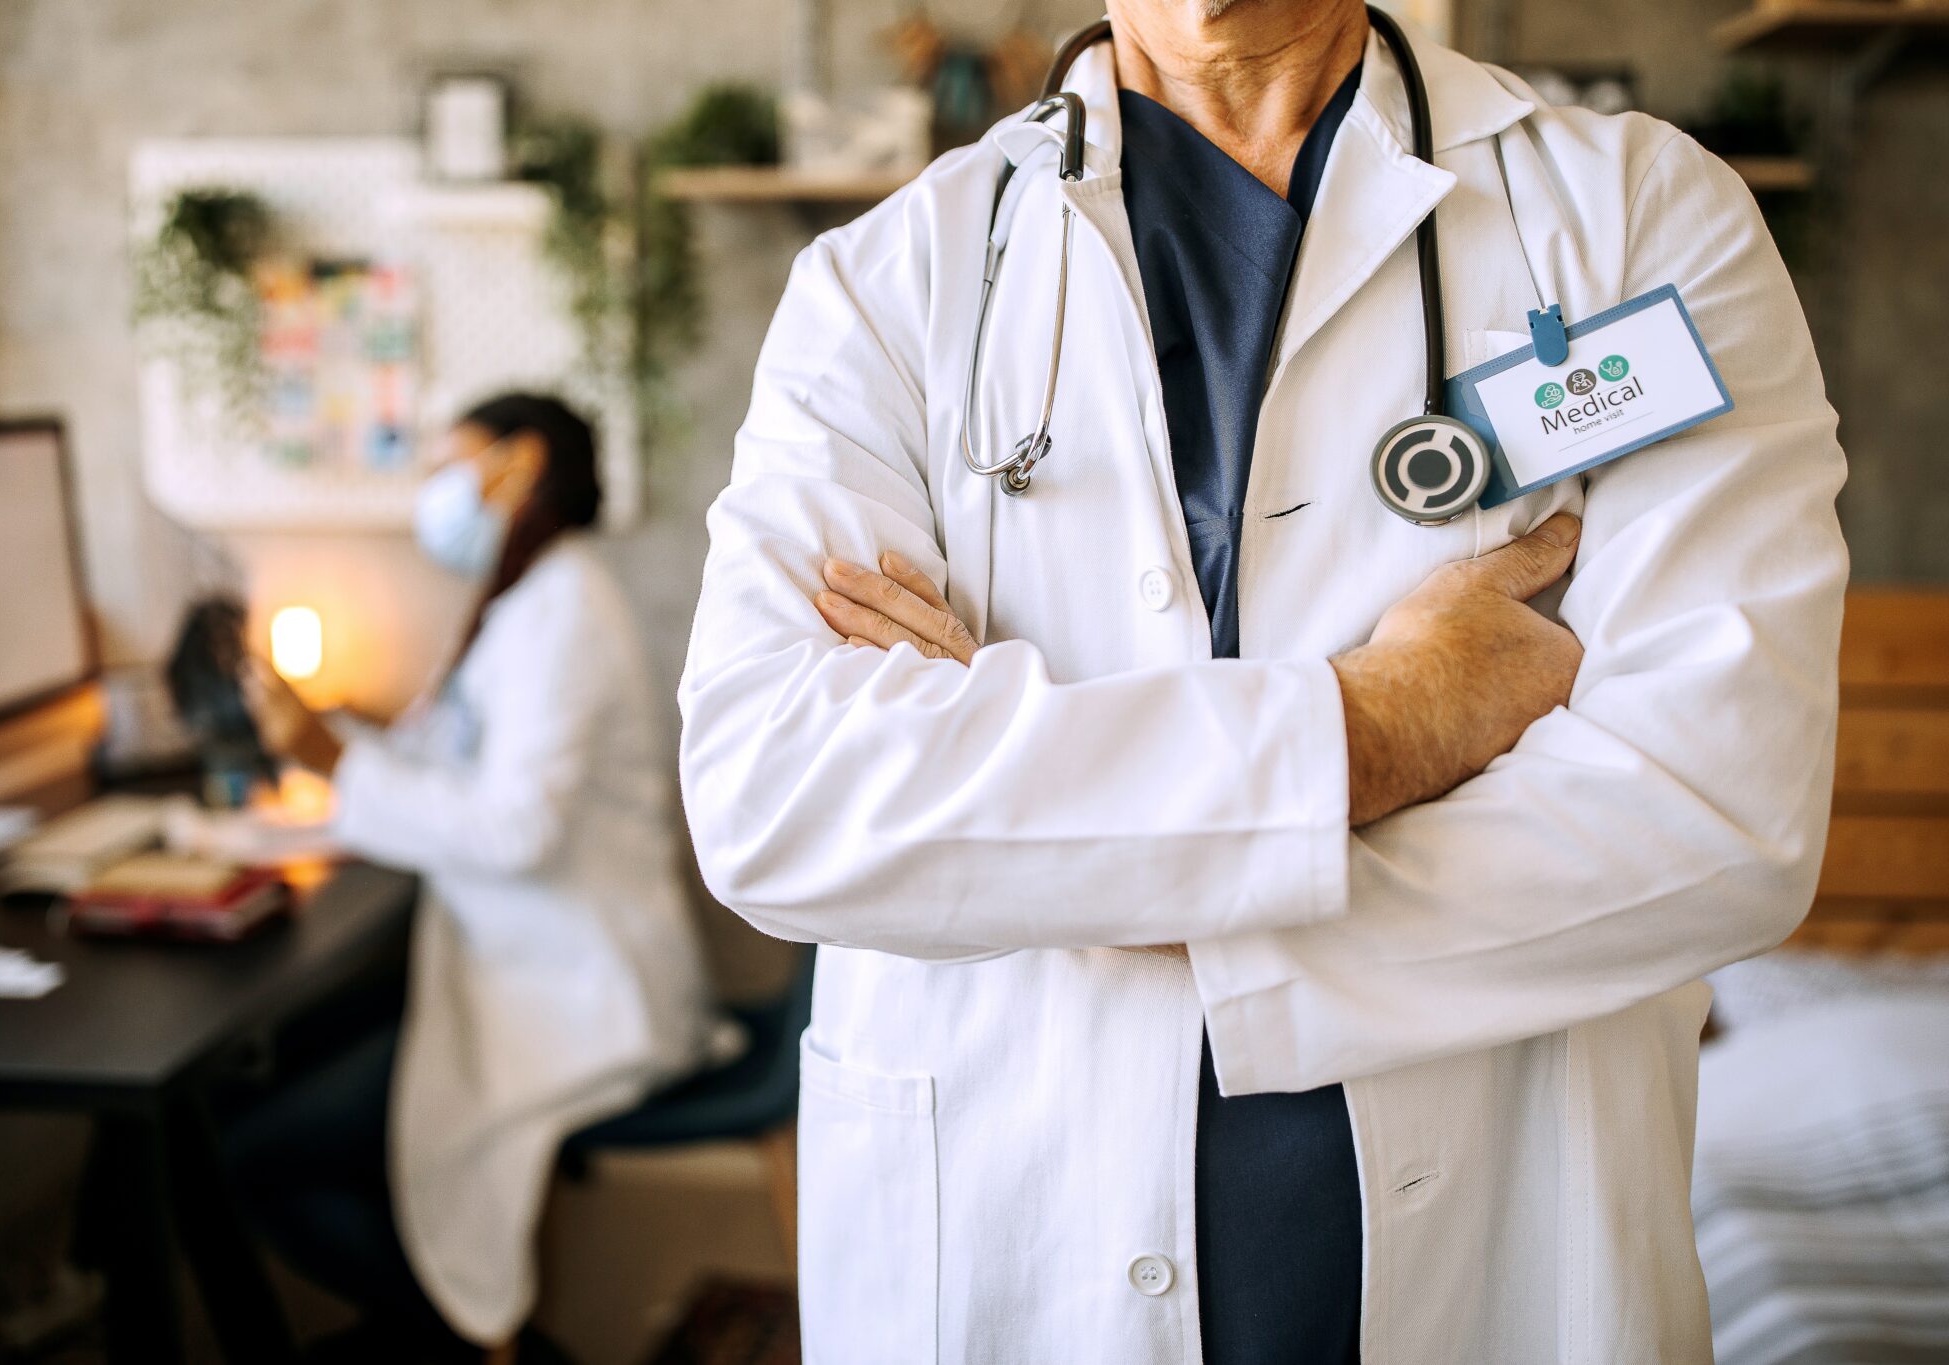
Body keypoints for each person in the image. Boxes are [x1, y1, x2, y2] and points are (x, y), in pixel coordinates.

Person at [677, 2, 1848, 1362]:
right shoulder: (892, 283)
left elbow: (1718, 811)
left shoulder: (1635, 221)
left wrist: (1055, 851)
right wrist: (1391, 717)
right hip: (1014, 1260)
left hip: (1500, 1263)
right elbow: (778, 795)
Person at [236, 393, 715, 1362]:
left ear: (516, 465)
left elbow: (514, 829)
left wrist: (338, 768)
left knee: (257, 1152)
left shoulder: (563, 611)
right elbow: (454, 767)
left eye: (448, 464)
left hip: (580, 989)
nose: (431, 492)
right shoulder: (529, 597)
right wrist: (331, 748)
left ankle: (478, 1344)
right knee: (278, 1077)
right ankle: (458, 1334)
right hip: (530, 963)